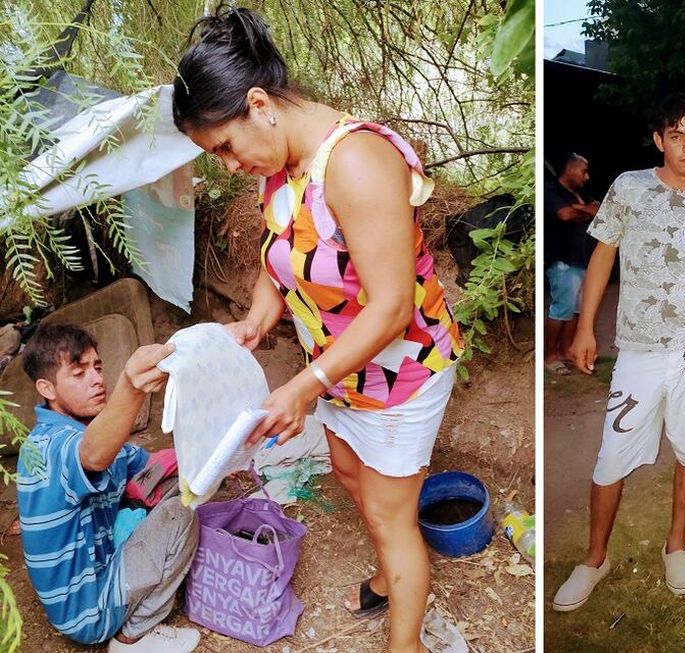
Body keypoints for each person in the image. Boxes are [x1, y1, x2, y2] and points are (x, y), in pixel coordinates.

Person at [172, 8, 463, 653]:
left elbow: (391, 307)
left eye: (224, 147)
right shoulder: (281, 165)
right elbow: (282, 257)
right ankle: (389, 575)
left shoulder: (356, 162)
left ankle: (405, 642)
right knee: (351, 474)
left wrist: (302, 387)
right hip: (336, 371)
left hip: (399, 374)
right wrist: (257, 320)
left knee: (389, 514)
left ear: (259, 105)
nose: (228, 165)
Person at [552, 93, 685, 611]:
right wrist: (584, 328)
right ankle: (595, 557)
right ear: (660, 140)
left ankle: (676, 544)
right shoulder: (629, 187)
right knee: (612, 455)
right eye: (677, 136)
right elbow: (602, 256)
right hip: (638, 347)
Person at [16, 325, 200, 653]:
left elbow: (148, 466)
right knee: (180, 515)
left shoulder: (88, 433)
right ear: (47, 388)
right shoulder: (48, 447)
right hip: (88, 611)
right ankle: (133, 637)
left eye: (97, 367)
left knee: (185, 484)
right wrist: (131, 386)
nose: (97, 379)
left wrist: (207, 457)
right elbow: (93, 455)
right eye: (79, 373)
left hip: (100, 568)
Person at [544, 153, 599, 375]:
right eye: (583, 171)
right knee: (562, 309)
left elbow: (598, 209)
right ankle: (550, 356)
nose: (587, 177)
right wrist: (584, 210)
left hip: (582, 260)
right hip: (563, 261)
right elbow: (565, 215)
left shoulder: (580, 193)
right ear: (570, 169)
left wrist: (579, 208)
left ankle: (566, 351)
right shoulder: (551, 190)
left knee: (576, 309)